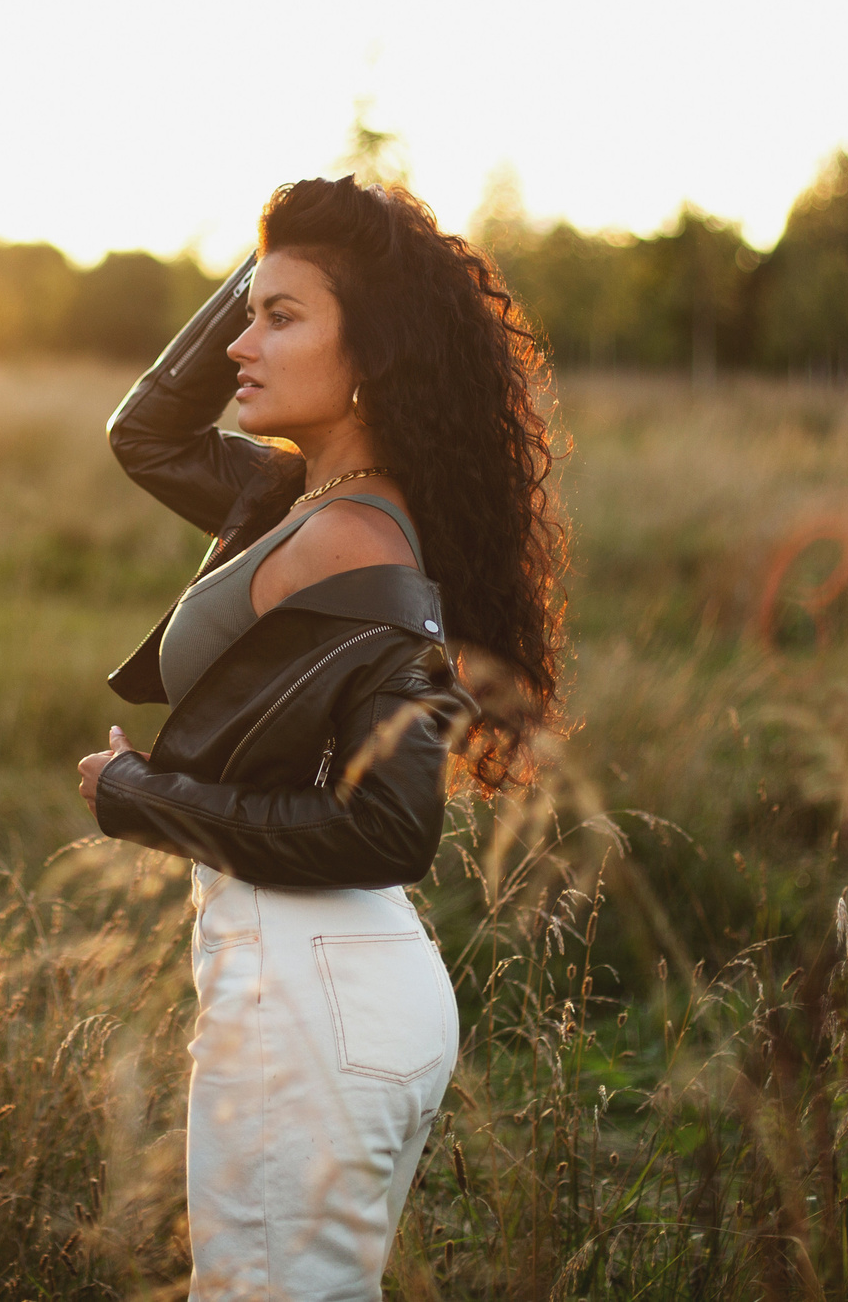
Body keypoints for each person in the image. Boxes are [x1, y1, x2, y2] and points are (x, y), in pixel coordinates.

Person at [75, 173, 567, 1300]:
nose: (243, 341)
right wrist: (278, 252)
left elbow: (389, 828)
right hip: (329, 984)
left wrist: (133, 794)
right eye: (248, 311)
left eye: (280, 317)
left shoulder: (353, 543)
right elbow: (145, 431)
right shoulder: (306, 501)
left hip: (305, 994)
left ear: (376, 351)